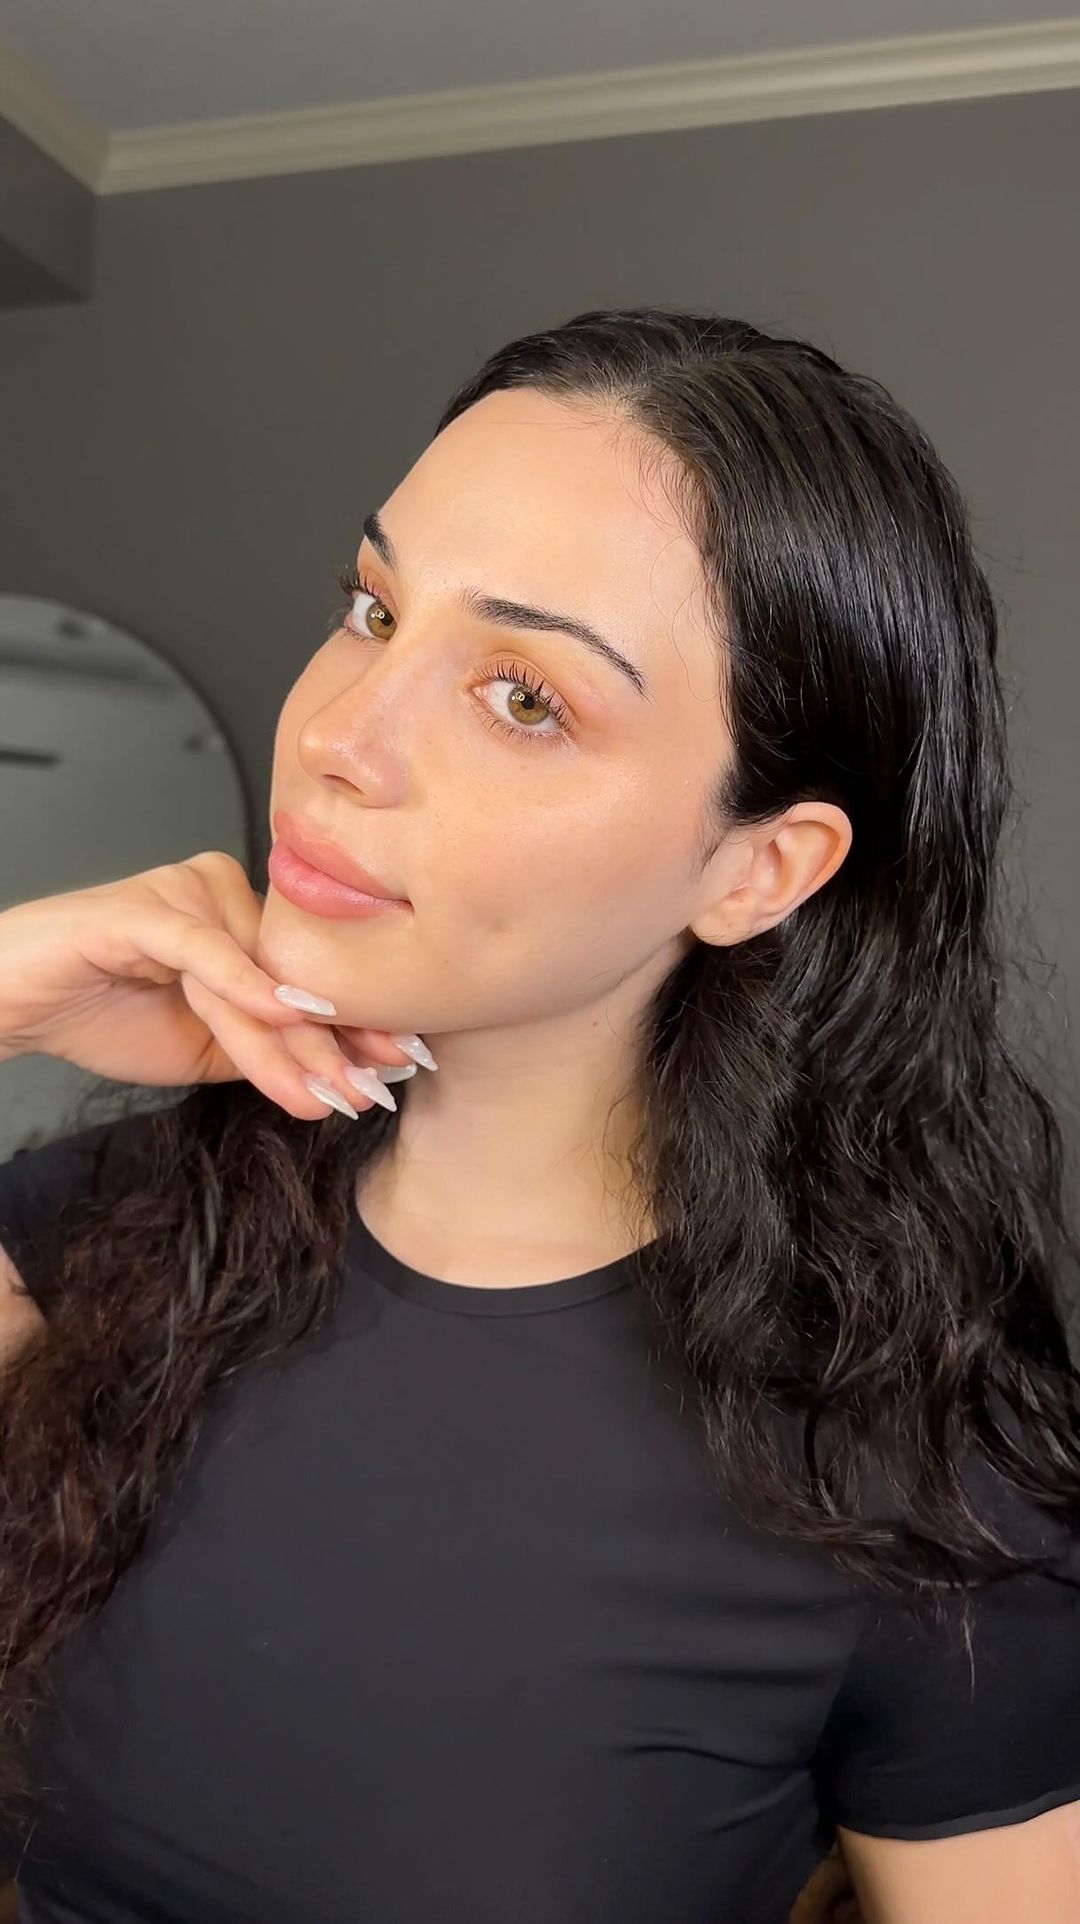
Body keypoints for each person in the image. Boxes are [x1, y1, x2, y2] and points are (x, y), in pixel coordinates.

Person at [0, 306, 1078, 1924]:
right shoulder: (111, 1233)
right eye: (374, 608)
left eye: (523, 699)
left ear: (755, 871)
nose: (338, 738)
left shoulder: (923, 1481)